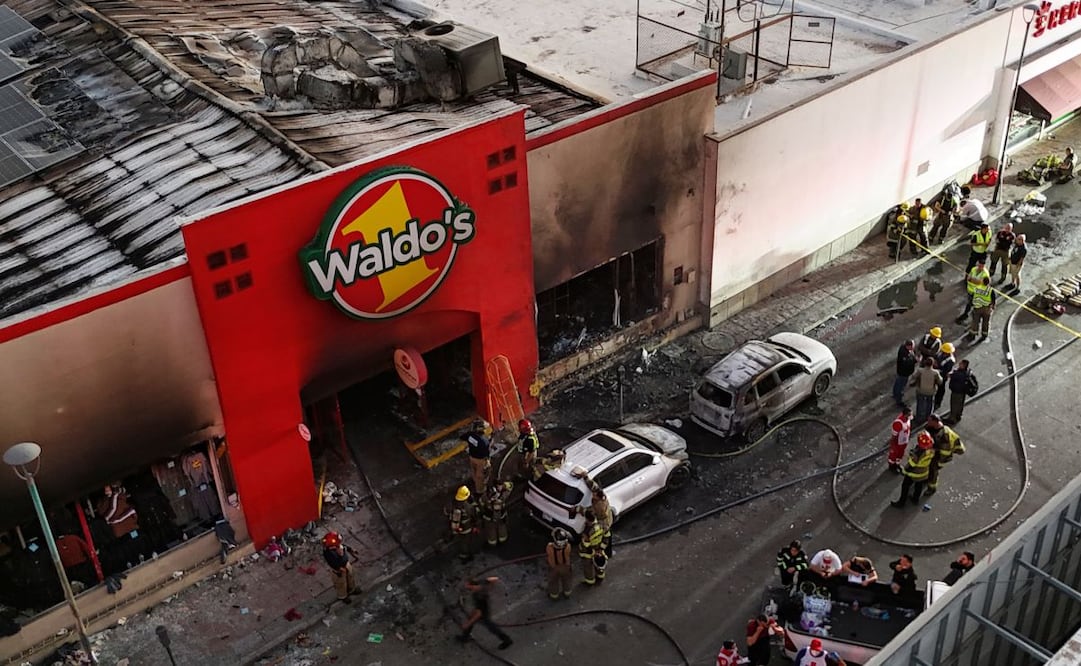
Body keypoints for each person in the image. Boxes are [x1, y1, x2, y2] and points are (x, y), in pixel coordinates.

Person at [456, 577, 513, 650]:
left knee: (489, 626)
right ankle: (465, 636)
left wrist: (467, 624)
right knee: (473, 619)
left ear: (474, 586)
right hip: (482, 608)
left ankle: (507, 640)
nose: (469, 590)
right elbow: (495, 579)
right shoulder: (481, 583)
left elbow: (478, 614)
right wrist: (490, 586)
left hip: (482, 612)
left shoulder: (478, 596)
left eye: (470, 588)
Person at [924, 414, 965, 496]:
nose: (927, 422)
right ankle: (927, 478)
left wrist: (939, 463)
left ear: (935, 422)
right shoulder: (932, 427)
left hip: (941, 456)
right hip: (935, 451)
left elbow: (945, 452)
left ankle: (932, 488)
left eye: (929, 421)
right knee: (929, 467)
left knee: (933, 471)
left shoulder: (944, 436)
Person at [891, 431, 935, 507]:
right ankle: (915, 499)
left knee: (905, 486)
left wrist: (904, 471)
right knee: (918, 486)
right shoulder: (931, 449)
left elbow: (912, 464)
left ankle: (901, 502)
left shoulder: (918, 453)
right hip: (923, 473)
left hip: (914, 473)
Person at [322, 531, 358, 604]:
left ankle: (352, 589)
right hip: (339, 570)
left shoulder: (338, 546)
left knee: (350, 577)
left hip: (346, 564)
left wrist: (351, 549)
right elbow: (332, 562)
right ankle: (343, 596)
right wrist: (339, 567)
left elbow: (344, 547)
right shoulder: (329, 553)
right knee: (341, 583)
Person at [448, 485, 478, 562]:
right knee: (465, 542)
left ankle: (463, 553)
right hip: (466, 529)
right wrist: (475, 525)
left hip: (458, 528)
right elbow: (473, 515)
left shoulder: (454, 504)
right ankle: (465, 556)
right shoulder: (467, 506)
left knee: (462, 541)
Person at [462, 419, 493, 493]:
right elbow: (486, 453)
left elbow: (463, 437)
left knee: (474, 470)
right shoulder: (484, 441)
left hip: (472, 457)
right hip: (480, 460)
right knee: (480, 475)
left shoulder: (470, 435)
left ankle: (475, 480)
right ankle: (480, 490)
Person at [909, 356, 941, 426]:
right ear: (933, 364)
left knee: (920, 404)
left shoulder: (920, 371)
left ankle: (919, 417)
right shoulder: (936, 373)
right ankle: (928, 416)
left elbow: (913, 376)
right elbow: (940, 381)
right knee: (930, 403)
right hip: (931, 391)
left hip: (920, 390)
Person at [957, 259, 990, 324]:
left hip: (978, 293)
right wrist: (975, 281)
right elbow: (968, 278)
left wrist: (973, 280)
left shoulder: (985, 274)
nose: (980, 267)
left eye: (982, 266)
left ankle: (976, 319)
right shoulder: (974, 269)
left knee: (975, 305)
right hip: (970, 291)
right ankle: (967, 314)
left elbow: (982, 283)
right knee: (969, 303)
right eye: (979, 265)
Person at [579, 509, 606, 585]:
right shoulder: (601, 525)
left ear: (587, 519)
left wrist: (592, 552)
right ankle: (600, 576)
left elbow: (586, 544)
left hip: (588, 553)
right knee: (599, 562)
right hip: (599, 549)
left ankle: (590, 581)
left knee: (588, 568)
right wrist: (601, 548)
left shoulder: (587, 531)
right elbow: (606, 535)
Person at [481, 480, 513, 547]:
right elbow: (510, 486)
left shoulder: (487, 496)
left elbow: (482, 502)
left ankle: (495, 542)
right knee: (496, 530)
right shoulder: (503, 495)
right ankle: (499, 542)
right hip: (497, 516)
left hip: (492, 517)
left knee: (494, 530)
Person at [965, 276, 996, 342]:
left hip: (977, 307)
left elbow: (972, 297)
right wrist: (993, 306)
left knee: (975, 321)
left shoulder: (977, 288)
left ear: (982, 281)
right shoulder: (990, 290)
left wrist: (972, 304)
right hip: (987, 308)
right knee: (986, 322)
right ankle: (984, 334)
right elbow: (993, 299)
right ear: (989, 282)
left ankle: (973, 334)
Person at [545, 528, 573, 600]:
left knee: (553, 581)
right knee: (566, 580)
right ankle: (567, 593)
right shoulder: (568, 546)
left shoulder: (549, 547)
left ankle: (554, 595)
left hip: (553, 568)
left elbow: (549, 554)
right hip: (565, 566)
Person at [946, 359, 975, 424]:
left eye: (961, 364)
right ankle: (958, 415)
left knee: (954, 405)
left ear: (964, 366)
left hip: (957, 391)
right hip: (962, 391)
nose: (959, 364)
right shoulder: (967, 372)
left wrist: (951, 373)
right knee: (960, 404)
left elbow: (949, 375)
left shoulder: (959, 374)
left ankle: (952, 419)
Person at [887, 406, 913, 474]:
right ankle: (892, 466)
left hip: (904, 441)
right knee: (894, 454)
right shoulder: (898, 422)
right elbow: (894, 435)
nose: (911, 416)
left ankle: (897, 464)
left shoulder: (908, 419)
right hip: (897, 442)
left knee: (900, 453)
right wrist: (893, 443)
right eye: (909, 414)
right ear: (905, 414)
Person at [893, 339, 918, 407]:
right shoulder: (903, 353)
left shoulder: (905, 349)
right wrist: (915, 360)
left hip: (902, 371)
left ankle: (895, 394)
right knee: (900, 386)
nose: (913, 348)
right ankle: (898, 400)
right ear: (908, 346)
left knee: (897, 383)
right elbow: (907, 363)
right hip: (903, 372)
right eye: (912, 347)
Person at [933, 343, 956, 411]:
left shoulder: (950, 360)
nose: (943, 352)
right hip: (936, 373)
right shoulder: (941, 354)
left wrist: (937, 368)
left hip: (942, 376)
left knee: (941, 389)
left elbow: (946, 371)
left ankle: (938, 402)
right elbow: (935, 357)